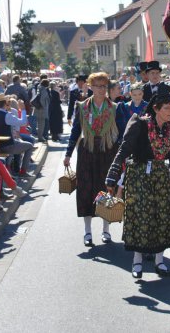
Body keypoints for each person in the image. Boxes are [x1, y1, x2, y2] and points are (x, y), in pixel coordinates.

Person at [106, 92, 170, 278]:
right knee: (140, 216)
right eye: (167, 108)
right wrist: (112, 175)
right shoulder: (139, 123)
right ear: (156, 108)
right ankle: (137, 262)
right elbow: (124, 149)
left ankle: (160, 262)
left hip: (161, 175)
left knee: (163, 214)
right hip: (139, 175)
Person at [64, 72, 124, 247]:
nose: (101, 89)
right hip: (87, 150)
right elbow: (75, 131)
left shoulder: (115, 107)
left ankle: (106, 230)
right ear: (90, 86)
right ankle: (88, 232)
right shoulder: (81, 107)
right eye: (97, 86)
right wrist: (68, 154)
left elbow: (121, 133)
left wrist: (122, 154)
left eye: (104, 86)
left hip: (107, 150)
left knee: (106, 189)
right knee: (86, 189)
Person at [0, 94, 33, 176]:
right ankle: (23, 171)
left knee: (19, 143)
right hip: (8, 145)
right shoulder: (7, 115)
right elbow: (23, 122)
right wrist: (23, 109)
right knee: (30, 146)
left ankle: (13, 169)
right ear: (5, 104)